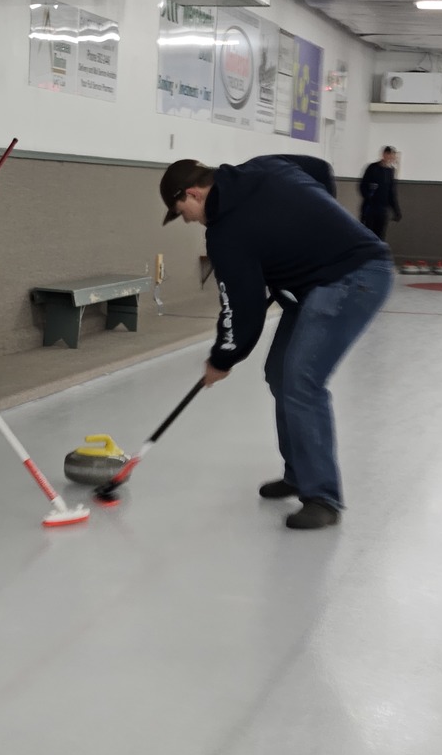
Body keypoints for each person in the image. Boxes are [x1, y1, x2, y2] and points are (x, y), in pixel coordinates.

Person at [160, 154, 393, 530]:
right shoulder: (264, 166)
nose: (186, 218)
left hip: (354, 276)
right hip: (320, 283)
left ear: (193, 193)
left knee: (302, 380)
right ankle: (299, 472)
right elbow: (319, 169)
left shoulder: (224, 233)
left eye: (181, 209)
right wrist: (307, 227)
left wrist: (222, 359)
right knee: (280, 373)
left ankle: (322, 497)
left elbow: (242, 309)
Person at [359, 146, 402, 240]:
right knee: (367, 233)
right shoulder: (372, 168)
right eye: (390, 155)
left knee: (380, 235)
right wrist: (368, 197)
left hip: (383, 208)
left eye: (393, 156)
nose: (391, 158)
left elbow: (391, 192)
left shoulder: (390, 171)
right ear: (384, 154)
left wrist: (396, 210)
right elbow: (363, 185)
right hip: (370, 207)